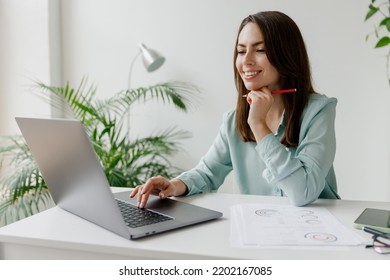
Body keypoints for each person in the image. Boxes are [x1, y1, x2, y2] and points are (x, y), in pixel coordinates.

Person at [130, 11, 340, 208]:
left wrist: (258, 125)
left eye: (260, 50)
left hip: (316, 232)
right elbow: (207, 173)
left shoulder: (318, 111)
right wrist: (173, 185)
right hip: (260, 228)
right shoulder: (233, 120)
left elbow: (302, 192)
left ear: (287, 55)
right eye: (241, 51)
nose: (246, 60)